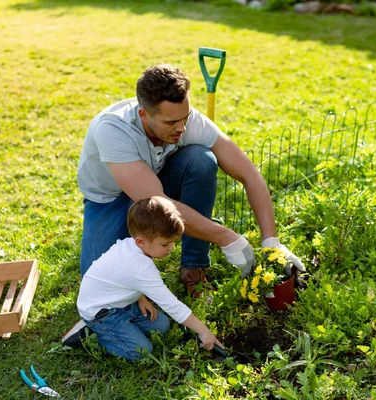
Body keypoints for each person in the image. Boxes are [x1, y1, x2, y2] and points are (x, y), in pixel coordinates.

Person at [63, 64, 304, 347]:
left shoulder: (185, 122)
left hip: (155, 183)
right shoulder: (113, 130)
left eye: (185, 118)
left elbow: (249, 173)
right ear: (144, 114)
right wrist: (227, 238)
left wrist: (271, 240)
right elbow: (158, 205)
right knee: (99, 280)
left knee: (201, 161)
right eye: (170, 123)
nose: (181, 128)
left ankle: (193, 269)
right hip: (110, 200)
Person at [73, 196, 223, 361]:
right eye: (165, 244)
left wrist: (141, 297)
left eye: (173, 242)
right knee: (141, 351)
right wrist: (203, 331)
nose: (171, 248)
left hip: (117, 301)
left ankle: (122, 326)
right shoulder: (141, 268)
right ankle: (90, 334)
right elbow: (172, 305)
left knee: (161, 326)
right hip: (100, 312)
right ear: (141, 241)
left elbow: (126, 279)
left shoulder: (133, 246)